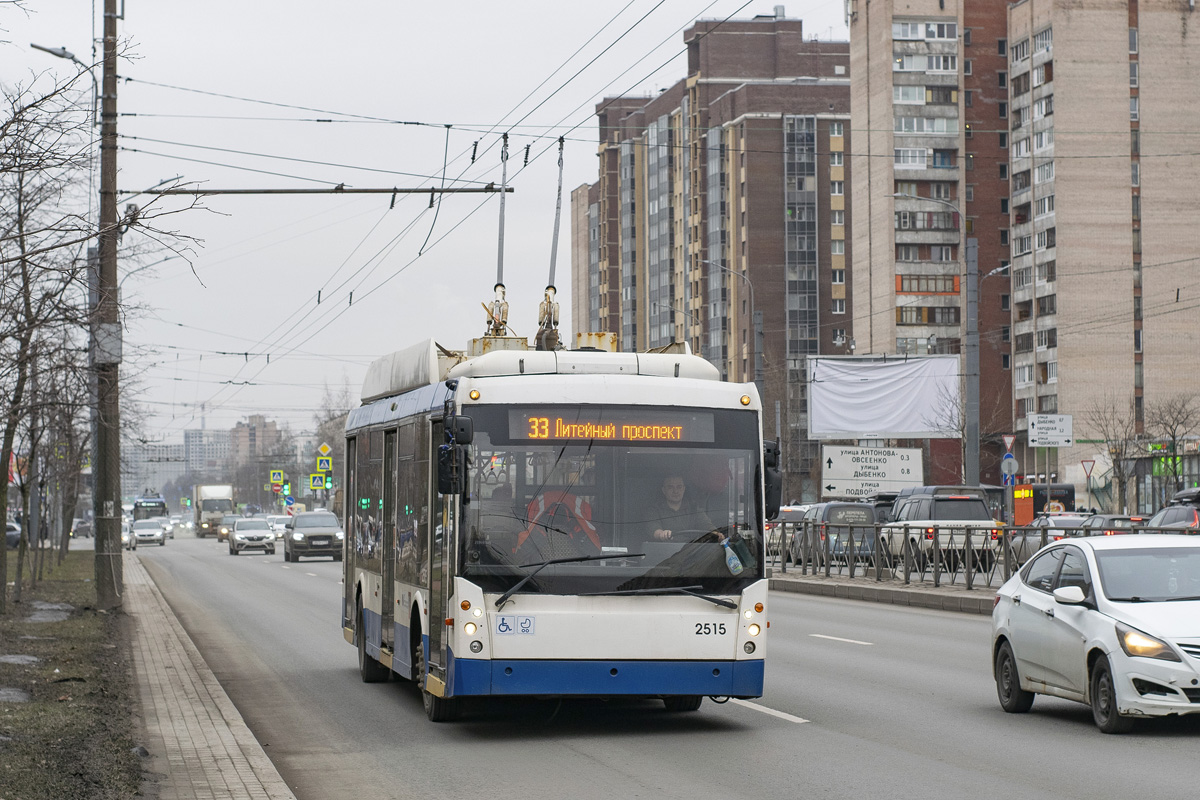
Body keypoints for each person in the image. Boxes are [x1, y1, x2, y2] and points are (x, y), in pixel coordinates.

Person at [644, 474, 721, 543]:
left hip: (690, 553)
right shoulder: (654, 510)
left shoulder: (694, 509)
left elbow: (706, 525)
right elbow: (653, 528)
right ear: (664, 490)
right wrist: (662, 534)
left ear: (684, 489)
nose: (675, 491)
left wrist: (717, 534)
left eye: (679, 487)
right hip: (663, 554)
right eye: (670, 487)